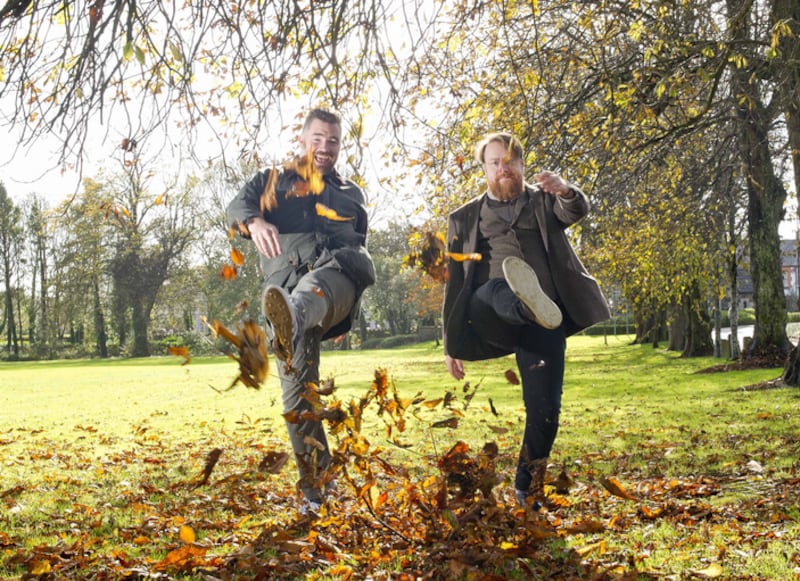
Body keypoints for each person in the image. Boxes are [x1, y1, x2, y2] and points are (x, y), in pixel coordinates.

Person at [442, 131, 610, 509]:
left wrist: (566, 190)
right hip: (492, 316)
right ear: (484, 168)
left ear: (522, 165)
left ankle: (526, 488)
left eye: (512, 161)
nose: (504, 168)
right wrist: (450, 341)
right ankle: (522, 301)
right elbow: (455, 284)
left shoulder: (542, 200)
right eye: (495, 162)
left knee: (546, 410)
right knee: (495, 291)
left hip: (545, 323)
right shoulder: (465, 218)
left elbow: (575, 210)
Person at [227, 108, 375, 514]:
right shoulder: (272, 181)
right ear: (303, 139)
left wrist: (347, 314)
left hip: (337, 281)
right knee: (298, 402)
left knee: (326, 278)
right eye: (318, 139)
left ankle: (292, 312)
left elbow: (360, 251)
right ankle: (316, 491)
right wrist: (255, 223)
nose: (325, 148)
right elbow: (236, 208)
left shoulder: (351, 194)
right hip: (289, 292)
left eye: (333, 141)